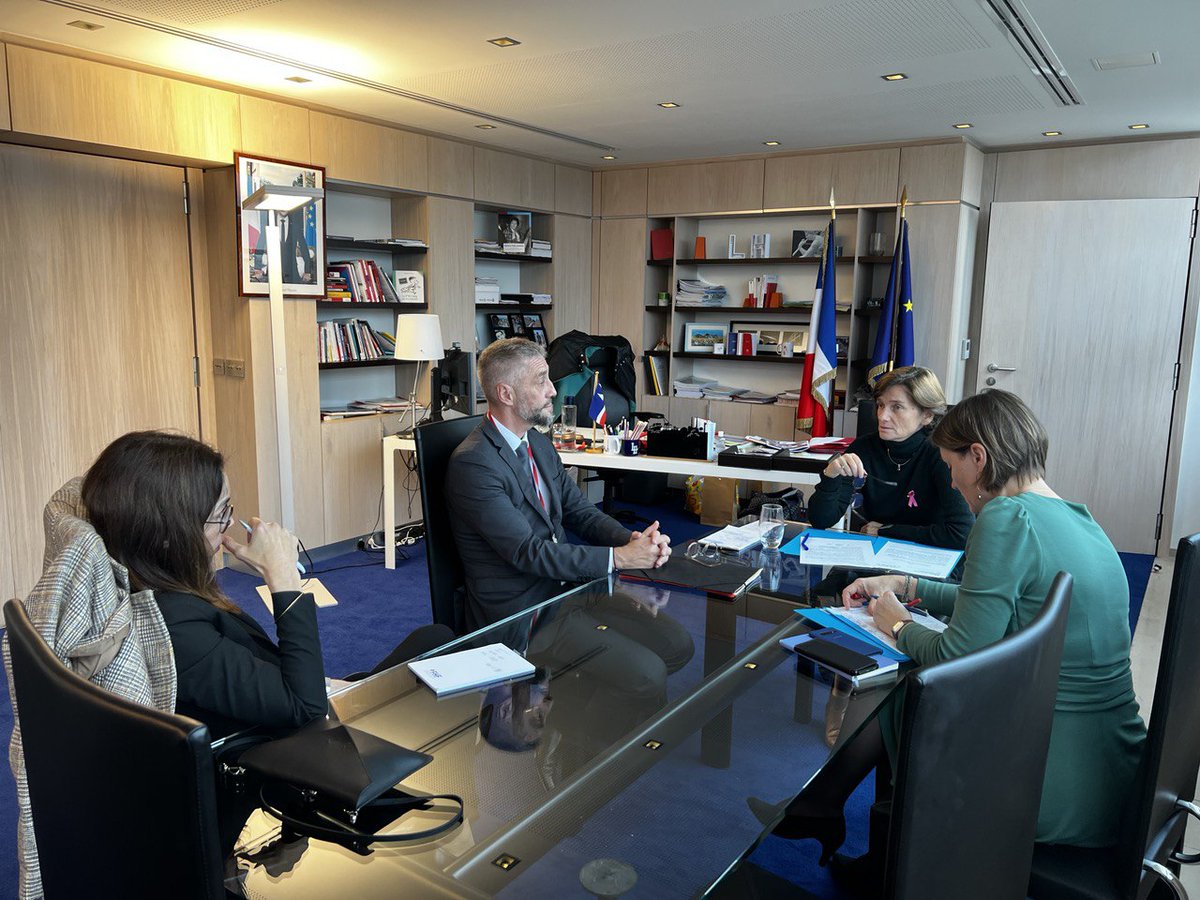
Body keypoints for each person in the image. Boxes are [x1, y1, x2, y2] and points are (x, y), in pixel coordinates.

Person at [758, 390, 1146, 866]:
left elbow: (957, 655)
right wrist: (905, 584)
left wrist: (899, 623)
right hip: (1110, 768)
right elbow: (1002, 602)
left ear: (978, 457)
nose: (953, 482)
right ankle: (843, 821)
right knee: (910, 685)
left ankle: (848, 825)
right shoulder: (1077, 518)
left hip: (1048, 777)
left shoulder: (1006, 517)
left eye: (950, 466)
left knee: (906, 684)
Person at [81, 430, 454, 740]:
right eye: (221, 514)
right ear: (170, 535)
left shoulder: (160, 593)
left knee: (435, 638)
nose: (230, 524)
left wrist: (328, 684)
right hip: (300, 745)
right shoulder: (175, 630)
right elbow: (304, 708)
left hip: (294, 701)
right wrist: (283, 578)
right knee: (441, 653)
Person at [446, 338, 671, 632]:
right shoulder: (474, 464)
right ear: (506, 394)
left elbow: (580, 511)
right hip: (522, 615)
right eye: (541, 381)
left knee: (674, 640)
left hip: (565, 590)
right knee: (649, 657)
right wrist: (619, 558)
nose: (553, 390)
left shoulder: (538, 442)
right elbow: (527, 551)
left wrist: (633, 540)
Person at [807, 366, 973, 549]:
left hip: (929, 556)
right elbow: (820, 520)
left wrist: (887, 531)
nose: (882, 416)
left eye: (897, 407)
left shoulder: (943, 455)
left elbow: (962, 534)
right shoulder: (863, 448)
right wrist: (831, 475)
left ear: (926, 415)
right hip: (876, 553)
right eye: (880, 405)